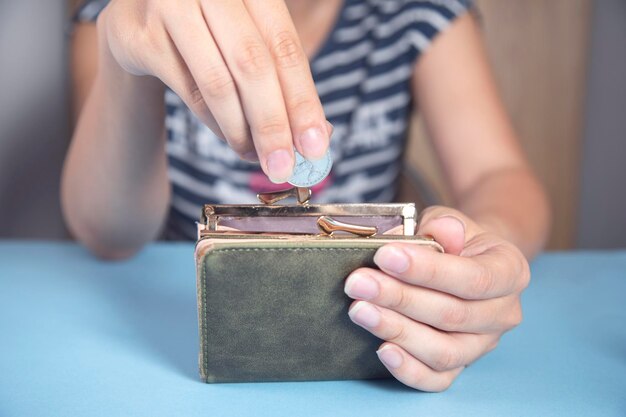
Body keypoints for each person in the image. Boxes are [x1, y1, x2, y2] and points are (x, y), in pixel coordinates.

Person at [63, 0, 550, 391]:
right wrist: (120, 59)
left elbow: (498, 175)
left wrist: (481, 250)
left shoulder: (419, 12)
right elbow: (109, 234)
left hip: (363, 319)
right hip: (194, 316)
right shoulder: (122, 13)